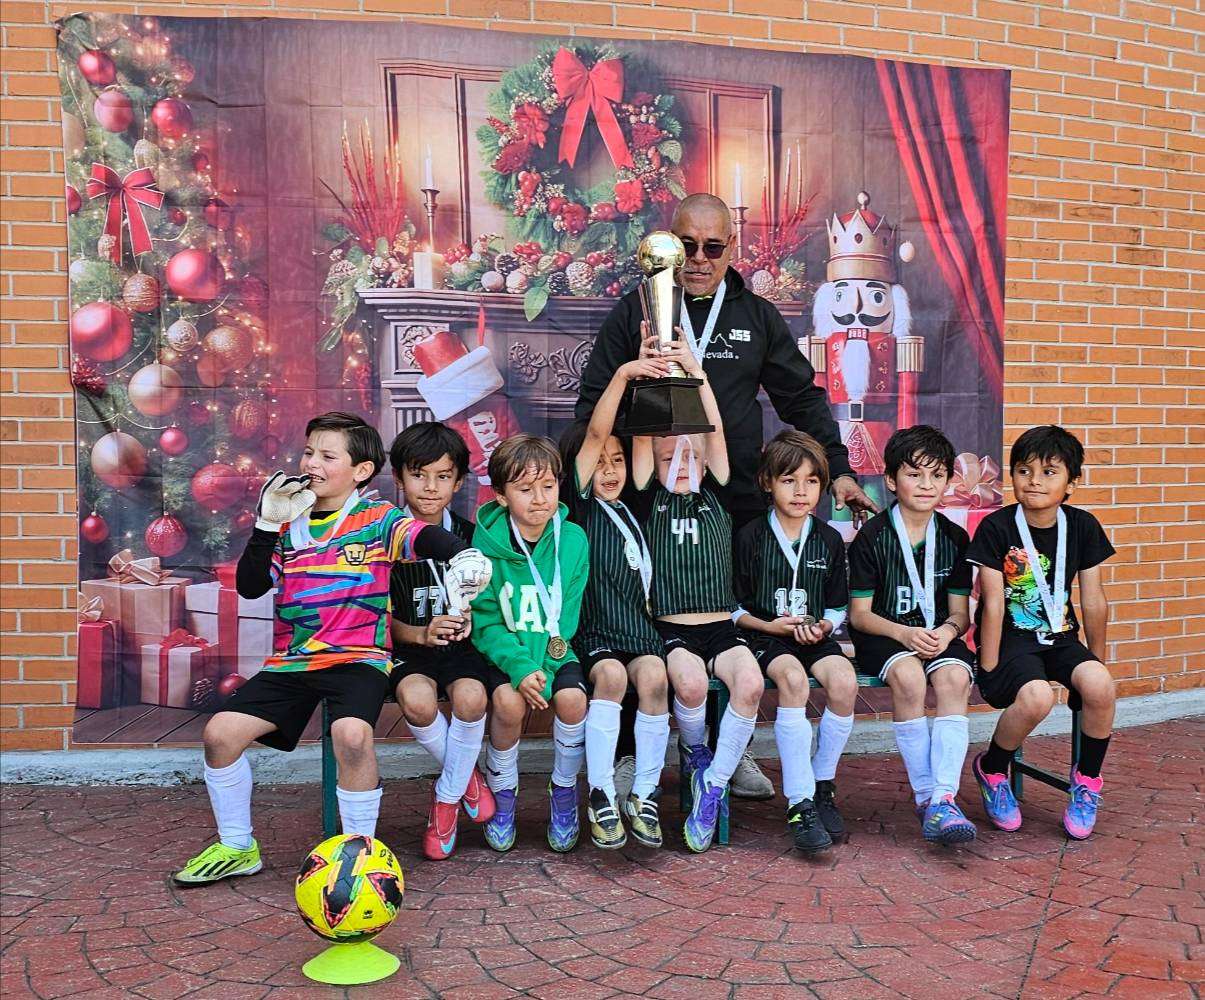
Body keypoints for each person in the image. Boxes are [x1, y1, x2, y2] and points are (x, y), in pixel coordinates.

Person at [577, 192, 875, 800]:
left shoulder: (755, 315)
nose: (698, 258)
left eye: (712, 247)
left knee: (726, 629)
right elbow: (593, 402)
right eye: (686, 245)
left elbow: (801, 397)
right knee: (642, 627)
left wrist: (839, 467)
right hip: (647, 499)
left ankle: (726, 752)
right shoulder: (635, 309)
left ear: (730, 248)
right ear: (668, 244)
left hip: (732, 499)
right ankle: (633, 751)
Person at [173, 412, 491, 885]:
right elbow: (251, 586)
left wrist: (462, 554)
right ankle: (238, 847)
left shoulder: (379, 519)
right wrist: (265, 524)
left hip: (358, 658)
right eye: (309, 453)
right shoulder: (287, 523)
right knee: (220, 734)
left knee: (352, 736)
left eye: (327, 455)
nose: (312, 464)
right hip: (294, 662)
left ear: (361, 471)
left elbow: (424, 536)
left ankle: (359, 858)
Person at [631, 335, 765, 853]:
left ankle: (713, 785)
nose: (682, 461)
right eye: (670, 456)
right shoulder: (650, 499)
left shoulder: (718, 495)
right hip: (672, 629)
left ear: (707, 463)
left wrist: (694, 370)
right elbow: (646, 441)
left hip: (721, 627)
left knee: (750, 684)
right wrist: (649, 372)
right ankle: (695, 754)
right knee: (687, 685)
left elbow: (715, 432)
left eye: (691, 455)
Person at [967, 425, 1116, 840]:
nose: (1034, 480)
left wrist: (1097, 662)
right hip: (1011, 640)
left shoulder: (1083, 525)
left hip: (1061, 637)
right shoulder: (997, 526)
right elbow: (992, 603)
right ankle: (993, 769)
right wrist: (989, 669)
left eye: (1049, 472)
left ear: (1072, 483)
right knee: (1037, 697)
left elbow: (1094, 600)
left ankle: (1087, 781)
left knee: (1101, 685)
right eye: (1024, 470)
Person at [560, 353, 673, 850]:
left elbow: (642, 441)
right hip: (596, 630)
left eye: (618, 461)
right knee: (611, 677)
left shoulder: (634, 507)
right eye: (600, 462)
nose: (609, 470)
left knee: (655, 678)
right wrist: (625, 374)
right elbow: (594, 434)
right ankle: (602, 792)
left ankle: (645, 793)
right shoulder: (579, 507)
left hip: (637, 628)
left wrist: (659, 375)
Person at [848, 425, 978, 846]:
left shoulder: (955, 538)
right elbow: (860, 616)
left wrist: (947, 631)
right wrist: (904, 634)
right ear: (890, 480)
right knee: (909, 678)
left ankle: (944, 797)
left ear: (947, 481)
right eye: (914, 474)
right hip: (886, 633)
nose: (926, 485)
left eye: (936, 475)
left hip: (936, 633)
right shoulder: (872, 537)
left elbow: (960, 614)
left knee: (954, 678)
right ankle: (928, 797)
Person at [733, 431, 858, 854]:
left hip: (812, 636)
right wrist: (769, 627)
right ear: (767, 483)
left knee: (844, 682)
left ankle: (822, 785)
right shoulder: (750, 536)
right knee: (792, 680)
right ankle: (799, 803)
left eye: (811, 481)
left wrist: (823, 626)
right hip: (764, 636)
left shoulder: (828, 539)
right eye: (789, 480)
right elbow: (733, 608)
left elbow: (837, 607)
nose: (801, 491)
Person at [471, 434, 591, 853]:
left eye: (548, 486)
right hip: (507, 653)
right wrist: (522, 667)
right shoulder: (484, 548)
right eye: (525, 489)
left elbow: (567, 617)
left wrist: (545, 669)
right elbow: (485, 623)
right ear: (501, 496)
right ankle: (503, 791)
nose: (539, 499)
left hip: (555, 649)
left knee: (573, 701)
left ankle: (564, 790)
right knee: (508, 703)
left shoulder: (573, 540)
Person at [388, 422, 499, 861]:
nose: (430, 487)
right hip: (408, 648)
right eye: (418, 475)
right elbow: (377, 620)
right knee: (417, 701)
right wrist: (420, 633)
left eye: (443, 476)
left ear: (459, 481)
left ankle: (446, 799)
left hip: (460, 649)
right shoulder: (384, 538)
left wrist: (474, 618)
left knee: (472, 698)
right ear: (398, 478)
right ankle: (468, 779)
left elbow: (493, 603)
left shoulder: (473, 538)